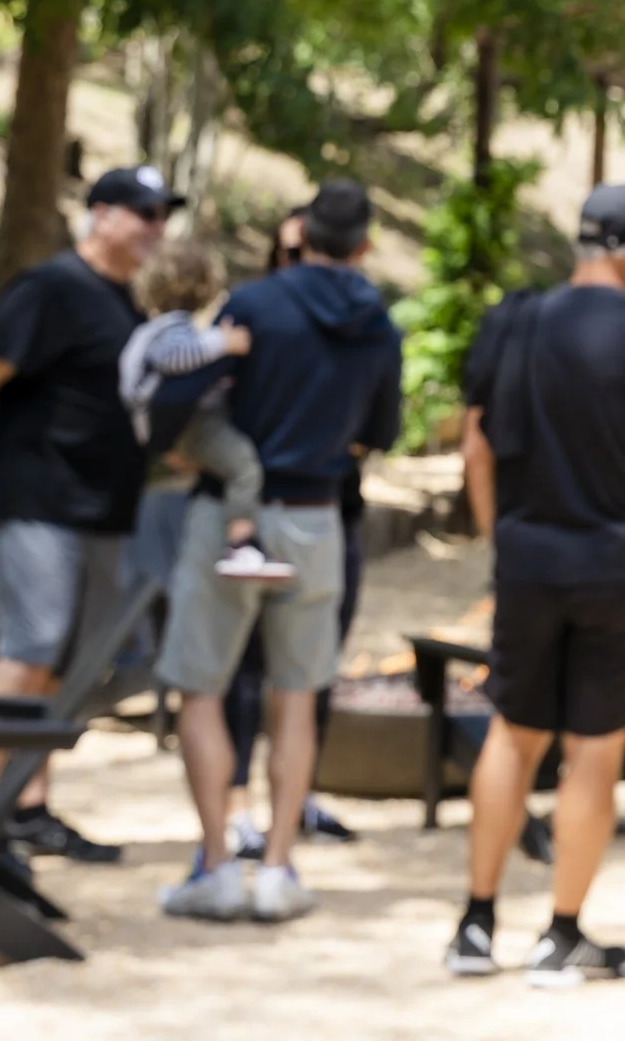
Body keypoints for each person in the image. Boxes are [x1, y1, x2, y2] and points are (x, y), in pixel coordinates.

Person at [445, 184, 625, 987]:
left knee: (512, 732)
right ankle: (561, 935)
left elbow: (476, 448)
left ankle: (476, 923)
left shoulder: (518, 323)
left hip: (531, 558)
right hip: (624, 566)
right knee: (593, 749)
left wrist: (505, 539)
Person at [155, 180, 401, 924]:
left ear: (299, 233)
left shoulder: (255, 305)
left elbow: (191, 392)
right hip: (318, 516)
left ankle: (216, 861)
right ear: (362, 245)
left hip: (231, 516)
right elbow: (379, 433)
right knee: (297, 692)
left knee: (201, 686)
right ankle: (281, 865)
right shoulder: (380, 325)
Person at [0, 167, 175, 864]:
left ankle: (28, 803)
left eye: (162, 214)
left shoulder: (130, 305)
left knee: (65, 663)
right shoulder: (51, 288)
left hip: (103, 510)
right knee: (31, 645)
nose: (155, 225)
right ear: (100, 214)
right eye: (141, 211)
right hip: (37, 501)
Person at [222, 206, 363, 857]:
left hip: (327, 507)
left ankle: (291, 805)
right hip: (261, 512)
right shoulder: (253, 310)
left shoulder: (356, 322)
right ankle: (237, 809)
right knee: (243, 674)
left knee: (306, 676)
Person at [117, 240, 277, 580]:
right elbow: (174, 358)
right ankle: (242, 543)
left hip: (167, 427)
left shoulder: (156, 327)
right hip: (181, 424)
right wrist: (223, 342)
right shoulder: (171, 329)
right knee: (244, 465)